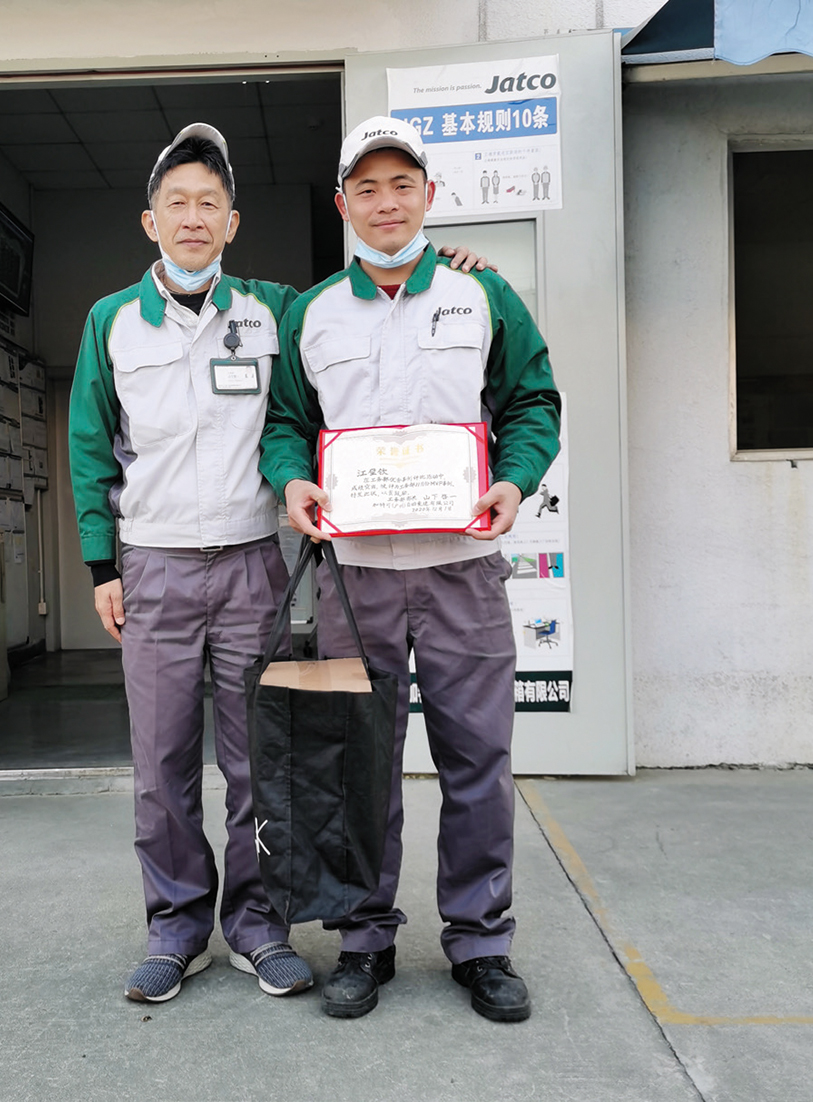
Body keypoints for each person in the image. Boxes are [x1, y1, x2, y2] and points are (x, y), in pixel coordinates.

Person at [67, 122, 486, 1005]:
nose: (192, 219)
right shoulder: (112, 322)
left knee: (262, 762)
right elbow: (89, 447)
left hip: (254, 564)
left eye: (209, 204)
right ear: (150, 221)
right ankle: (176, 928)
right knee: (160, 764)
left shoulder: (275, 310)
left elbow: (363, 308)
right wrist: (102, 565)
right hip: (153, 569)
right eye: (176, 203)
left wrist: (448, 268)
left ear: (232, 222)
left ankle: (259, 928)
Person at [259, 116, 561, 1023]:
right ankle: (364, 938)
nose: (385, 203)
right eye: (367, 188)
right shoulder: (312, 312)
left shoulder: (483, 296)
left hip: (463, 569)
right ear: (343, 202)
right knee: (357, 765)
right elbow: (285, 423)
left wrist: (514, 480)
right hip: (356, 575)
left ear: (429, 195)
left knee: (478, 760)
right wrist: (294, 479)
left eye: (402, 185)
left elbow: (532, 401)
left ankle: (481, 941)